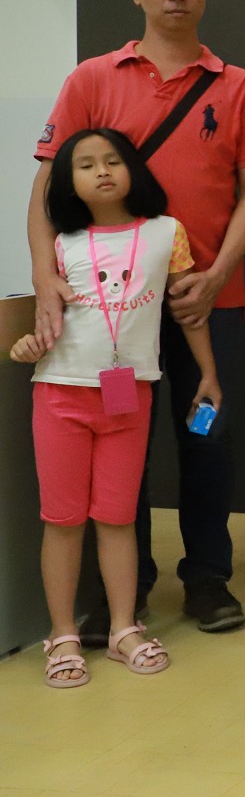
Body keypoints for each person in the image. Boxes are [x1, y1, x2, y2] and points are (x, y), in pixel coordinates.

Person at [29, 0, 245, 638]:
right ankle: (123, 593)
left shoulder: (238, 87)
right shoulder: (92, 79)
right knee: (120, 448)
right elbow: (47, 186)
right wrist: (45, 277)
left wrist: (217, 275)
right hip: (108, 311)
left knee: (207, 441)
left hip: (207, 302)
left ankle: (209, 581)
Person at [12, 130, 217, 683]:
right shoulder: (59, 245)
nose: (101, 171)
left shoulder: (166, 232)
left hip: (130, 397)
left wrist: (209, 373)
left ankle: (125, 628)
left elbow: (187, 310)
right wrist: (27, 345)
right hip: (61, 393)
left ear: (133, 170)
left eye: (112, 161)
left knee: (118, 518)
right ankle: (63, 635)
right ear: (67, 181)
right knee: (63, 522)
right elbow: (40, 326)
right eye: (85, 165)